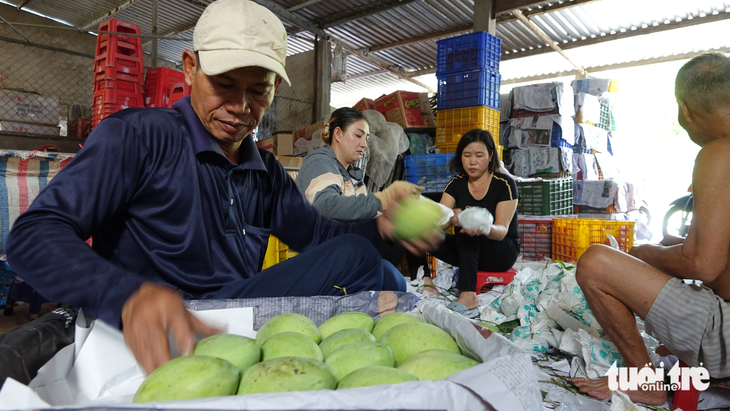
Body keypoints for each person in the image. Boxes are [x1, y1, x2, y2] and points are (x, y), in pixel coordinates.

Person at [5, 0, 438, 375]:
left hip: (232, 316)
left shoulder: (264, 171)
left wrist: (382, 225)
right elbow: (34, 234)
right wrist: (126, 296)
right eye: (224, 85)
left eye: (258, 91)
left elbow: (321, 237)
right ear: (190, 68)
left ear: (275, 91)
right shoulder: (137, 137)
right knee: (372, 269)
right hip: (162, 322)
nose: (240, 107)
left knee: (371, 261)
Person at [571, 52, 730, 405]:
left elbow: (704, 266)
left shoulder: (720, 152)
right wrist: (675, 249)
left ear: (684, 110)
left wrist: (646, 254)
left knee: (596, 262)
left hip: (727, 335)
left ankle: (646, 383)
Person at [295, 107, 428, 284]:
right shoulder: (320, 161)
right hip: (323, 252)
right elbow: (325, 204)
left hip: (348, 246)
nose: (364, 144)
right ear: (338, 134)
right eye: (358, 136)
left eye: (366, 138)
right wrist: (386, 197)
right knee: (391, 275)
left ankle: (424, 279)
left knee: (406, 224)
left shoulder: (353, 174)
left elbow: (365, 213)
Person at [430, 129, 520, 312]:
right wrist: (451, 218)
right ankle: (423, 281)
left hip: (501, 250)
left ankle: (468, 294)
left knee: (468, 232)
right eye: (467, 155)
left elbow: (502, 231)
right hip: (468, 252)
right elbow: (437, 222)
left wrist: (484, 227)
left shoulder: (504, 184)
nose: (472, 161)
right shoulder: (456, 183)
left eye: (479, 155)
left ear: (490, 156)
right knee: (421, 232)